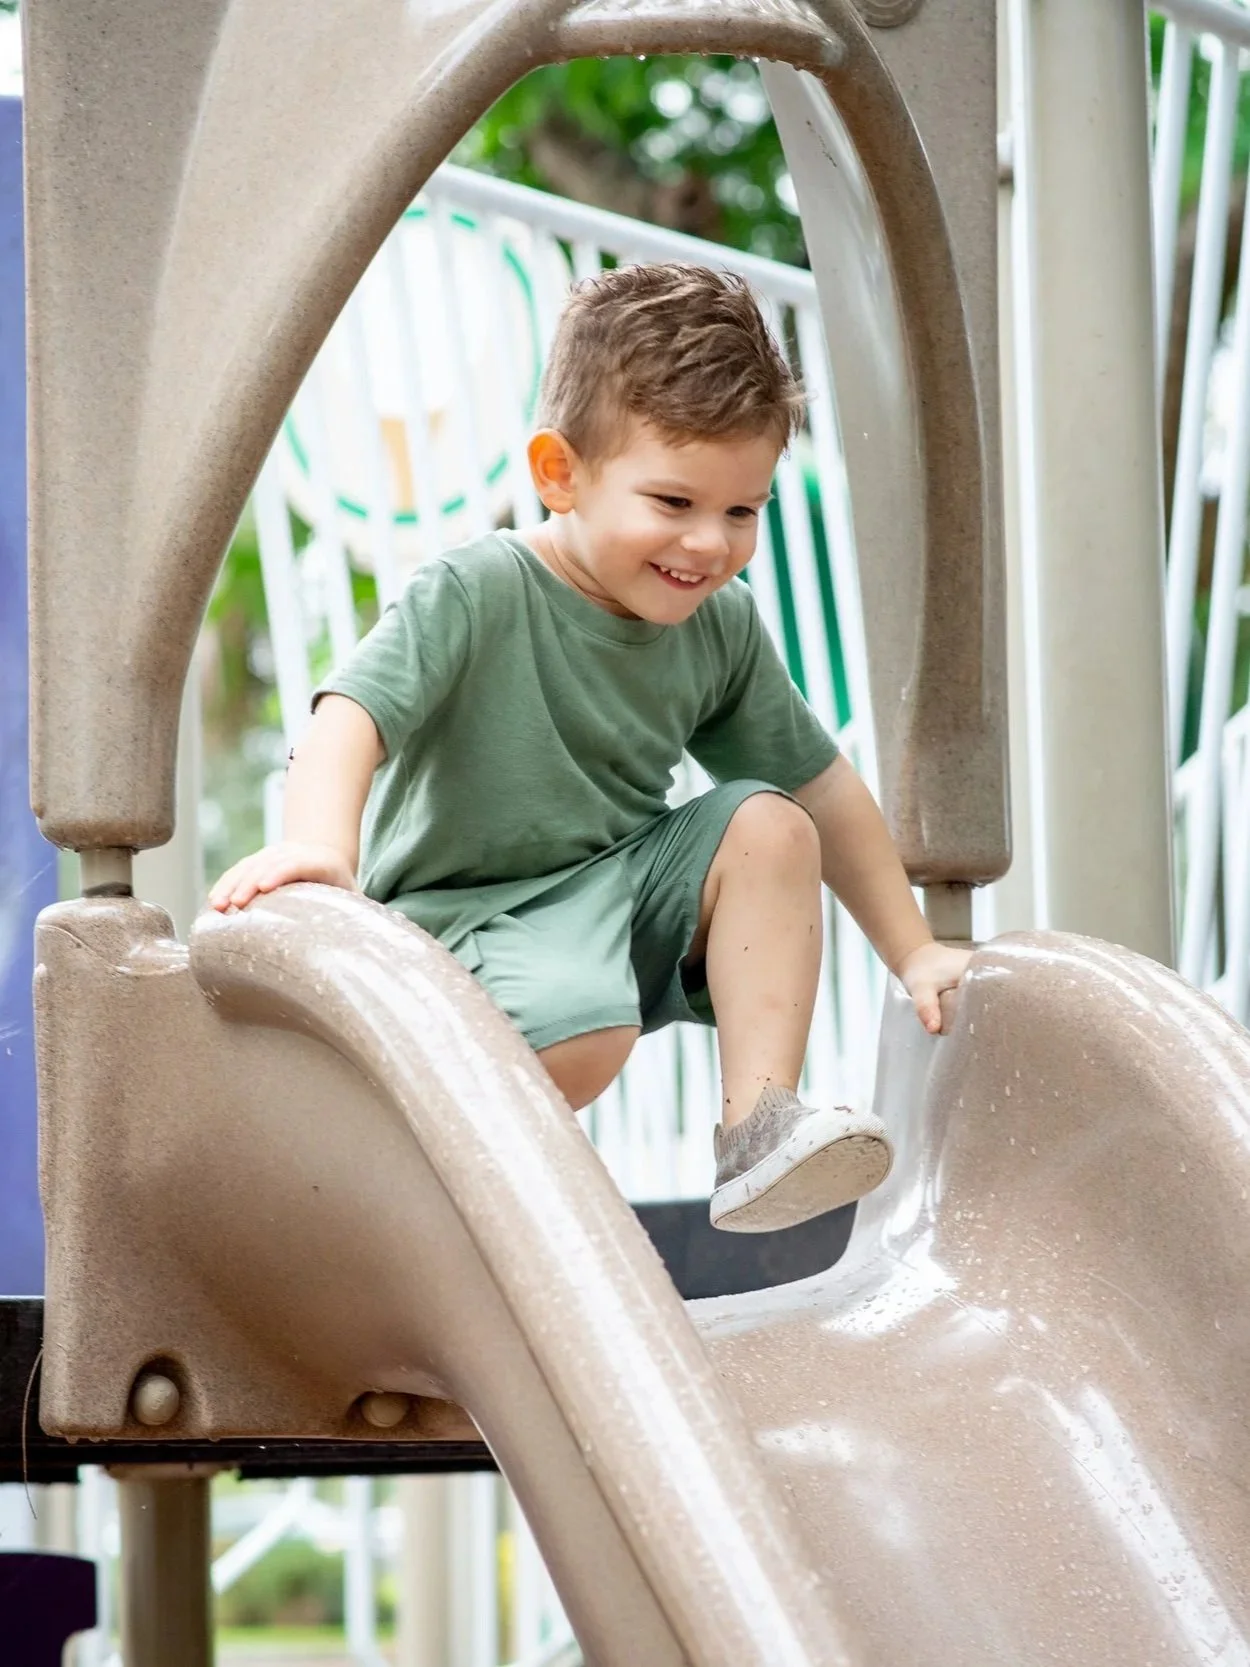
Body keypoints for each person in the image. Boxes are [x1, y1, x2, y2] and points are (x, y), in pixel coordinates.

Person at [209, 262, 971, 1232]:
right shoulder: (478, 588)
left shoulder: (717, 627)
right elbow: (349, 710)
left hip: (611, 898)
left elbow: (820, 787)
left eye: (741, 510)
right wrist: (323, 850)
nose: (708, 542)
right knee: (587, 1023)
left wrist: (911, 952)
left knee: (770, 824)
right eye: (672, 501)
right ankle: (402, 1182)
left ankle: (755, 1127)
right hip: (459, 924)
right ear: (558, 473)